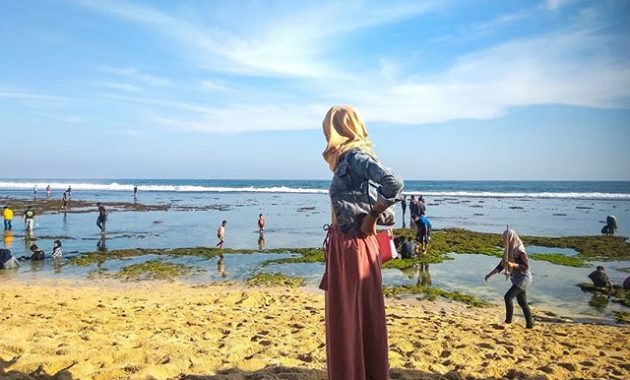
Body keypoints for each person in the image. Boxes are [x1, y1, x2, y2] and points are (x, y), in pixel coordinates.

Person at [319, 105, 403, 380]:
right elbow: (365, 198)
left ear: (340, 128)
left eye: (329, 128)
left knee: (355, 318)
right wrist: (375, 212)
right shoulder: (346, 160)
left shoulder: (356, 156)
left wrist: (374, 214)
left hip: (354, 246)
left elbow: (393, 183)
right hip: (343, 245)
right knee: (347, 319)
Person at [484, 228, 534, 329]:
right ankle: (530, 325)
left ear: (512, 238)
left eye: (507, 239)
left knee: (508, 297)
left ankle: (508, 321)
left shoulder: (519, 251)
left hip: (524, 278)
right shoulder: (508, 250)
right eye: (504, 239)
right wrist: (490, 274)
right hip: (516, 278)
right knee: (522, 302)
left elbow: (525, 266)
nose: (506, 241)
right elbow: (502, 265)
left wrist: (513, 264)